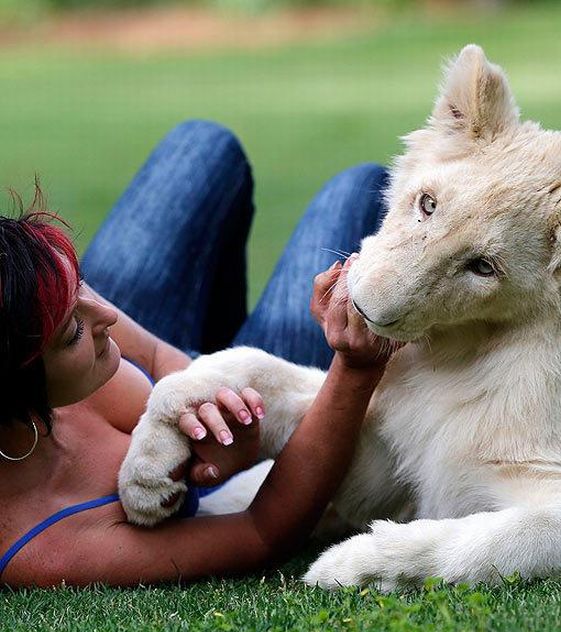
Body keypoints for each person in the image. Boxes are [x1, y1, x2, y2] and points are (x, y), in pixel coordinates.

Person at [0, 120, 392, 587]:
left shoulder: (41, 299)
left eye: (80, 284)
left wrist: (213, 404)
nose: (107, 313)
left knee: (203, 144)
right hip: (245, 454)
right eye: (73, 331)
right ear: (19, 389)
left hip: (181, 366)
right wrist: (355, 367)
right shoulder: (44, 545)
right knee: (355, 189)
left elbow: (158, 357)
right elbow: (262, 532)